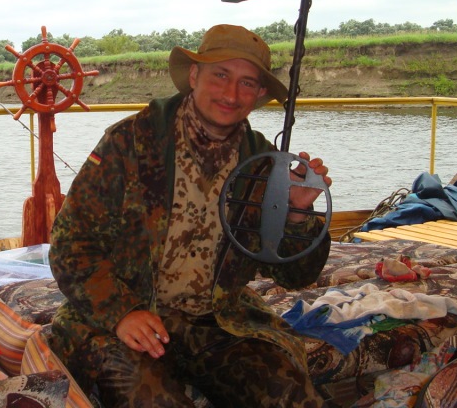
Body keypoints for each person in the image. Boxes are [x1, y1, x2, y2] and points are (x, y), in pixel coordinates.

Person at [48, 24, 332, 407]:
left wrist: (297, 212)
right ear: (194, 76)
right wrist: (122, 313)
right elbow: (70, 246)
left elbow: (296, 276)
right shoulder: (129, 143)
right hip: (129, 310)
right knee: (149, 396)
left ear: (258, 94)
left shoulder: (264, 164)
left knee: (290, 393)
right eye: (220, 75)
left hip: (218, 321)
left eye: (247, 83)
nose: (231, 94)